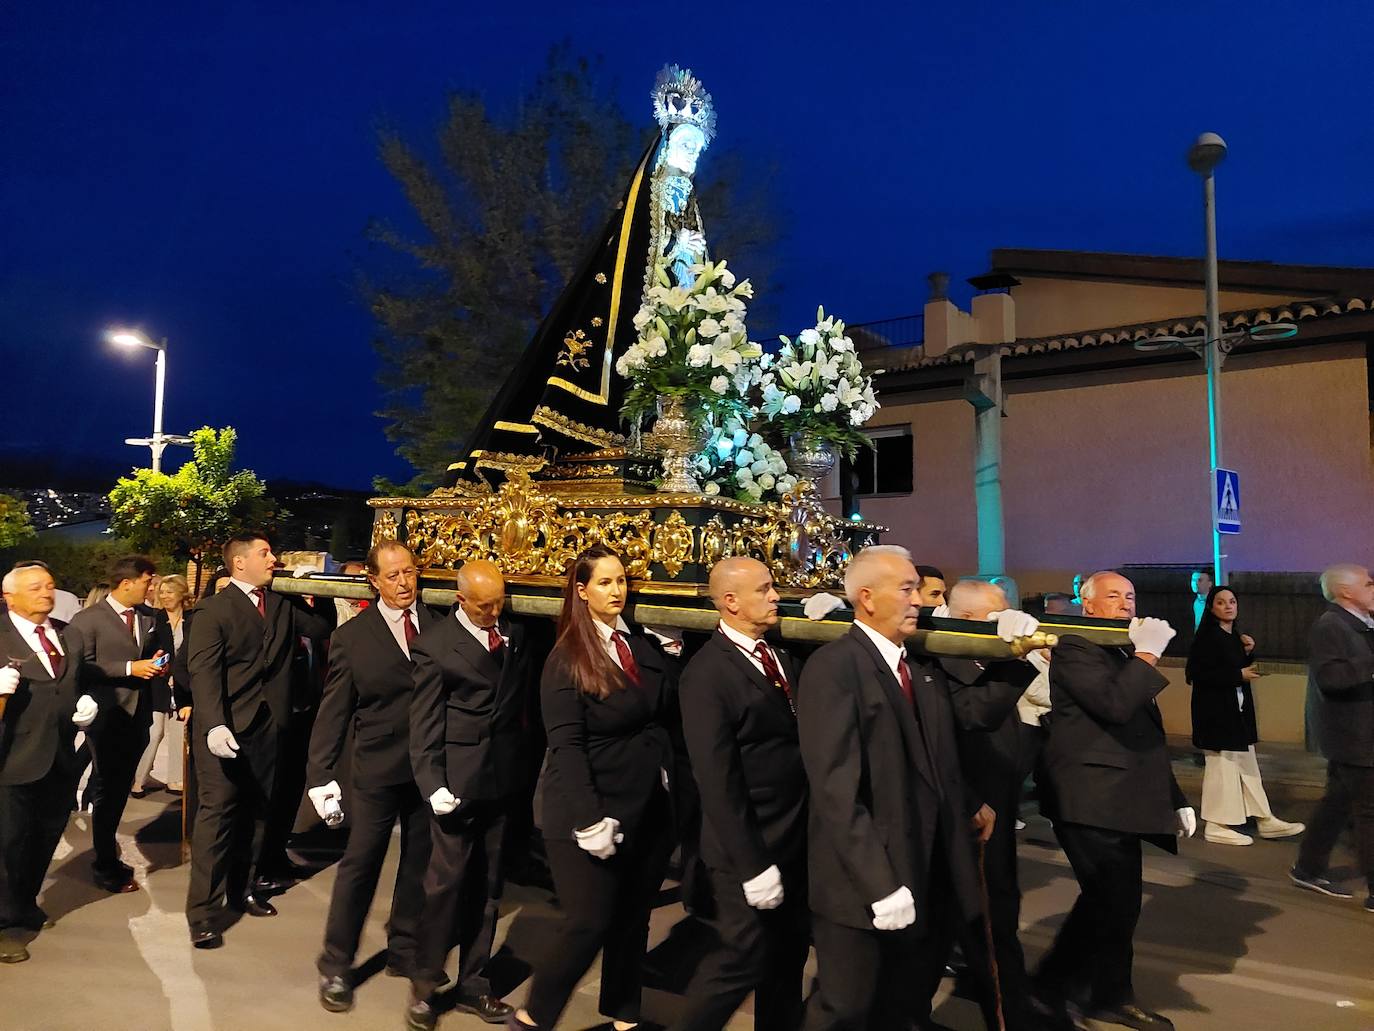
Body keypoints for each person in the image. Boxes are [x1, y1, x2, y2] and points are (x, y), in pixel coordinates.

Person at [797, 545, 995, 1031]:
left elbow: (934, 756)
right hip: (862, 881)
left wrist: (969, 804)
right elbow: (836, 792)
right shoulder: (835, 667)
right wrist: (880, 886)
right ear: (866, 597)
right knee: (845, 1008)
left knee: (902, 1006)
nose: (918, 601)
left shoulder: (918, 666)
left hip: (924, 865)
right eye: (906, 589)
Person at [512, 545, 680, 1031]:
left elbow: (662, 709)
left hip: (646, 806)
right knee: (587, 922)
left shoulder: (640, 646)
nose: (616, 591)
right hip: (586, 813)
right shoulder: (566, 657)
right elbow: (566, 746)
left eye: (621, 581)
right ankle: (531, 1018)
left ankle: (624, 1017)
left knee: (633, 919)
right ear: (582, 592)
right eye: (605, 583)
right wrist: (589, 819)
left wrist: (670, 654)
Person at [1033, 571, 1193, 1031]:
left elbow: (1143, 733)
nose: (1125, 603)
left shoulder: (1119, 649)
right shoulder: (1076, 647)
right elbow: (1115, 705)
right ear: (1089, 606)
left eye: (1130, 596)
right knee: (1110, 901)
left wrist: (1174, 796)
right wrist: (1148, 653)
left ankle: (1102, 993)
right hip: (1087, 795)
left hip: (1120, 796)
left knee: (1119, 904)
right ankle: (1056, 988)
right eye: (1114, 596)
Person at [670, 557, 808, 1031]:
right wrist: (752, 865)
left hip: (793, 837)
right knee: (742, 961)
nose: (775, 596)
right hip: (746, 849)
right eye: (765, 589)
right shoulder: (707, 675)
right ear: (730, 602)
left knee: (786, 962)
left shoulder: (780, 653)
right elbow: (717, 779)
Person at [183, 533, 334, 948]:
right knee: (218, 817)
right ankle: (203, 913)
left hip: (270, 728)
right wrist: (214, 724)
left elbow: (320, 628)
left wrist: (312, 588)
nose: (274, 558)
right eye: (265, 553)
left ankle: (243, 888)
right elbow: (204, 673)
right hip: (225, 730)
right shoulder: (211, 611)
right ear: (239, 563)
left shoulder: (282, 603)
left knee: (261, 813)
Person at [306, 542, 438, 1014]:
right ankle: (337, 964)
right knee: (360, 866)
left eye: (410, 572)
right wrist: (321, 775)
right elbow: (333, 713)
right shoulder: (353, 638)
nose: (405, 582)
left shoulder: (440, 625)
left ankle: (404, 949)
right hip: (376, 771)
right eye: (394, 575)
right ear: (375, 582)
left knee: (421, 865)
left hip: (429, 773)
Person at [403, 558, 532, 1030]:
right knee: (444, 888)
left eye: (499, 603)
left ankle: (474, 985)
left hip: (499, 781)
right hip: (455, 784)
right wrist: (432, 784)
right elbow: (424, 724)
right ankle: (424, 985)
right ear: (461, 600)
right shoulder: (435, 647)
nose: (493, 612)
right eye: (483, 606)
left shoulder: (513, 635)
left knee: (489, 888)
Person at [939, 578, 1042, 1030]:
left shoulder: (980, 658)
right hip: (968, 813)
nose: (1003, 625)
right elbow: (976, 714)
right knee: (987, 925)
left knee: (993, 921)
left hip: (995, 809)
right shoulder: (947, 661)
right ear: (964, 620)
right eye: (993, 617)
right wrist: (1015, 661)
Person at [0, 563, 96, 963]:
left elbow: (75, 682)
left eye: (51, 586)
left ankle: (24, 903)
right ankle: (5, 925)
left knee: (44, 837)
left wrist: (86, 703)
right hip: (10, 760)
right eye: (36, 587)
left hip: (58, 757)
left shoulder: (66, 634)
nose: (46, 592)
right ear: (10, 597)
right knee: (7, 845)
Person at [67, 555, 172, 893]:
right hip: (108, 716)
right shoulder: (88, 620)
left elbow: (153, 653)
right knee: (108, 790)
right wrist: (130, 668)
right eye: (147, 581)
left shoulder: (148, 616)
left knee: (118, 788)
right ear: (127, 583)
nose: (151, 587)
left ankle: (106, 851)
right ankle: (105, 863)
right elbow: (81, 667)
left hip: (139, 716)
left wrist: (157, 664)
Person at [1186, 586, 1303, 846]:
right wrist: (1238, 675)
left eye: (1232, 601)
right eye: (1221, 602)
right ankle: (1216, 824)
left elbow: (1236, 667)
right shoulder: (1206, 637)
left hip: (1236, 714)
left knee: (1247, 766)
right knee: (1222, 768)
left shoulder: (1234, 637)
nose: (1228, 606)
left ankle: (1264, 818)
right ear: (1211, 608)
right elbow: (1197, 674)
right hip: (1216, 715)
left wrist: (1249, 652)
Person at [1291, 563, 1374, 910]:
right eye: (1368, 584)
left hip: (1358, 732)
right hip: (1353, 735)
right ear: (1346, 592)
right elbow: (1331, 678)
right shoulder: (1331, 625)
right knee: (1369, 811)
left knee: (1337, 803)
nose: (1373, 588)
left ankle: (1307, 869)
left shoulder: (1358, 624)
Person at [150, 574, 193, 795]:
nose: (165, 596)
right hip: (158, 681)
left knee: (178, 730)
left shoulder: (193, 618)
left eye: (170, 591)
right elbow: (150, 649)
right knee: (154, 731)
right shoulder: (155, 618)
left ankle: (175, 779)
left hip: (183, 682)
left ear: (182, 593)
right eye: (162, 592)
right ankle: (139, 778)